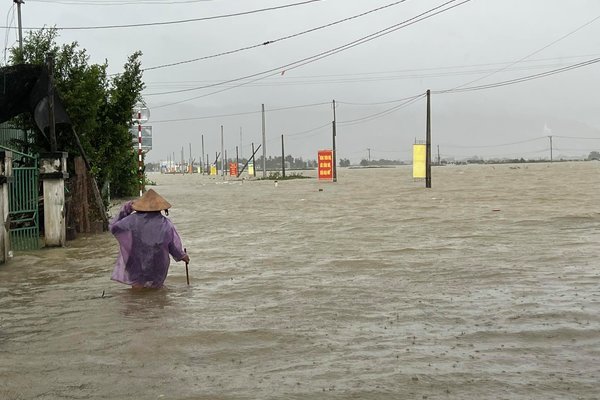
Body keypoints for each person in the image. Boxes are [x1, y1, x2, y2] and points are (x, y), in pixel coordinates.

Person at [109, 189, 190, 289]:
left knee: (137, 288)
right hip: (157, 263)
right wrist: (183, 256)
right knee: (156, 291)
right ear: (160, 209)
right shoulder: (166, 224)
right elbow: (173, 246)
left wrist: (127, 208)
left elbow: (113, 227)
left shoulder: (130, 221)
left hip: (135, 261)